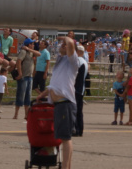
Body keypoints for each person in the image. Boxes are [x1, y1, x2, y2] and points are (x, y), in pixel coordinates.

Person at [36, 37, 79, 169]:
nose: (63, 45)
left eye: (65, 45)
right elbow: (54, 85)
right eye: (62, 44)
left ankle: (66, 167)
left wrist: (65, 38)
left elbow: (71, 43)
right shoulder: (61, 62)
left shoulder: (73, 61)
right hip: (59, 104)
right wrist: (42, 95)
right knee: (63, 137)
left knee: (65, 138)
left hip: (65, 103)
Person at [14, 38, 40, 120]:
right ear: (28, 44)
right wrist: (20, 73)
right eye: (31, 44)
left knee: (28, 96)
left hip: (30, 77)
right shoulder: (23, 52)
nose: (33, 45)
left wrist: (29, 49)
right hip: (24, 76)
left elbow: (39, 54)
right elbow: (18, 61)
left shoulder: (31, 52)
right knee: (20, 95)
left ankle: (26, 114)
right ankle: (16, 114)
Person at [74, 45, 88, 136]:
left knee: (75, 110)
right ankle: (79, 129)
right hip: (81, 89)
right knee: (79, 111)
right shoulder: (85, 62)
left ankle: (76, 129)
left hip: (76, 89)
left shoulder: (78, 61)